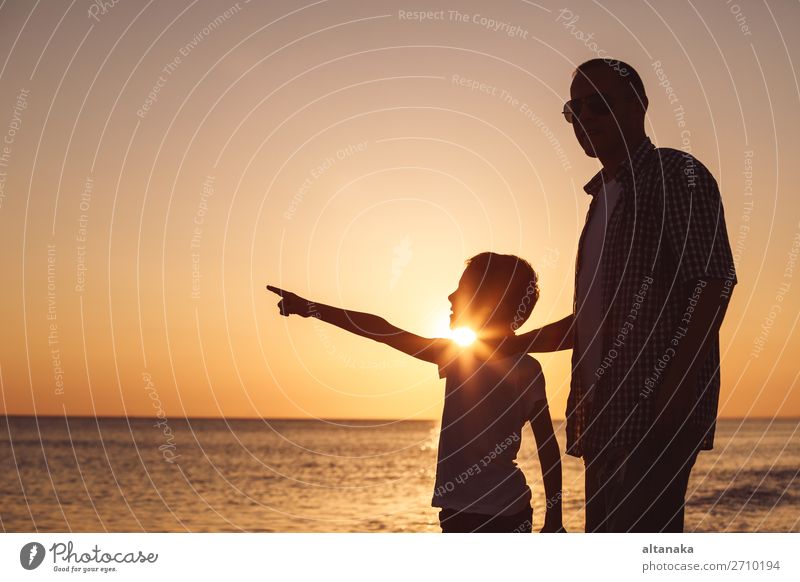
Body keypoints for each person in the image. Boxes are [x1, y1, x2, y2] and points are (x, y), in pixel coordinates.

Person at [497, 58, 737, 532]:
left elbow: (712, 281)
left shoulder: (675, 176)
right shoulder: (599, 203)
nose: (587, 118)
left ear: (638, 104)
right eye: (576, 110)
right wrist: (508, 344)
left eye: (599, 105)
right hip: (602, 415)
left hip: (653, 409)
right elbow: (588, 322)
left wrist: (676, 384)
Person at [267, 252, 565, 533]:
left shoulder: (465, 357)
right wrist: (554, 518)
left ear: (487, 301)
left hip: (490, 513)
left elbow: (381, 330)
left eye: (462, 289)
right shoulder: (502, 363)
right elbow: (548, 448)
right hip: (481, 510)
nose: (451, 296)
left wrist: (311, 309)